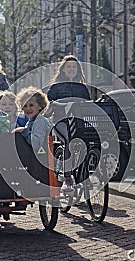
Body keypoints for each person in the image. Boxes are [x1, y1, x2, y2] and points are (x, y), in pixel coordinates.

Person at [47, 55, 91, 191]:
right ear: (63, 70)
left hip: (78, 121)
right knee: (67, 142)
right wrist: (58, 104)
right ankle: (67, 178)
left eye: (74, 67)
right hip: (61, 121)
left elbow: (88, 104)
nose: (72, 69)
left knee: (89, 142)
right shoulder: (56, 87)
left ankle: (85, 175)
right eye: (69, 67)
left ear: (78, 70)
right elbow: (48, 104)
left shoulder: (82, 88)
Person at [12, 87, 53, 154]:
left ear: (40, 106)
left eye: (31, 105)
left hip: (44, 157)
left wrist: (24, 130)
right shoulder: (31, 121)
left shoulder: (40, 121)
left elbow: (36, 144)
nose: (28, 108)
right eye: (25, 106)